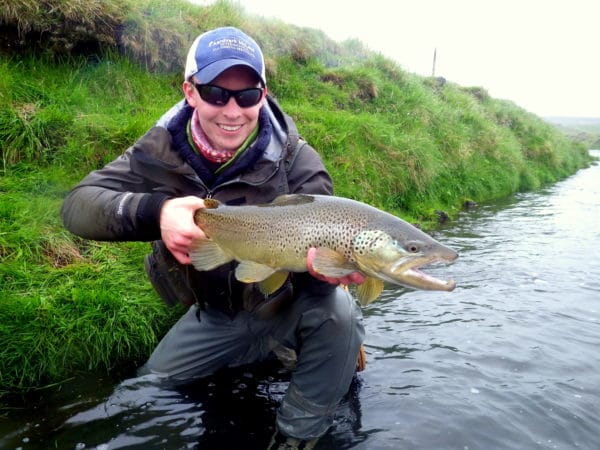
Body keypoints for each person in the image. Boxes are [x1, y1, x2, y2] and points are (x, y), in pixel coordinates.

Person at [61, 26, 365, 447]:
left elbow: (319, 246)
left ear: (263, 93)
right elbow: (78, 205)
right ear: (190, 92)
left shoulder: (297, 159)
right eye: (216, 93)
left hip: (282, 303)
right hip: (215, 314)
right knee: (148, 392)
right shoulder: (157, 151)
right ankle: (279, 355)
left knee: (339, 309)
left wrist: (333, 268)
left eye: (246, 96)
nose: (232, 110)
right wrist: (158, 212)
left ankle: (298, 432)